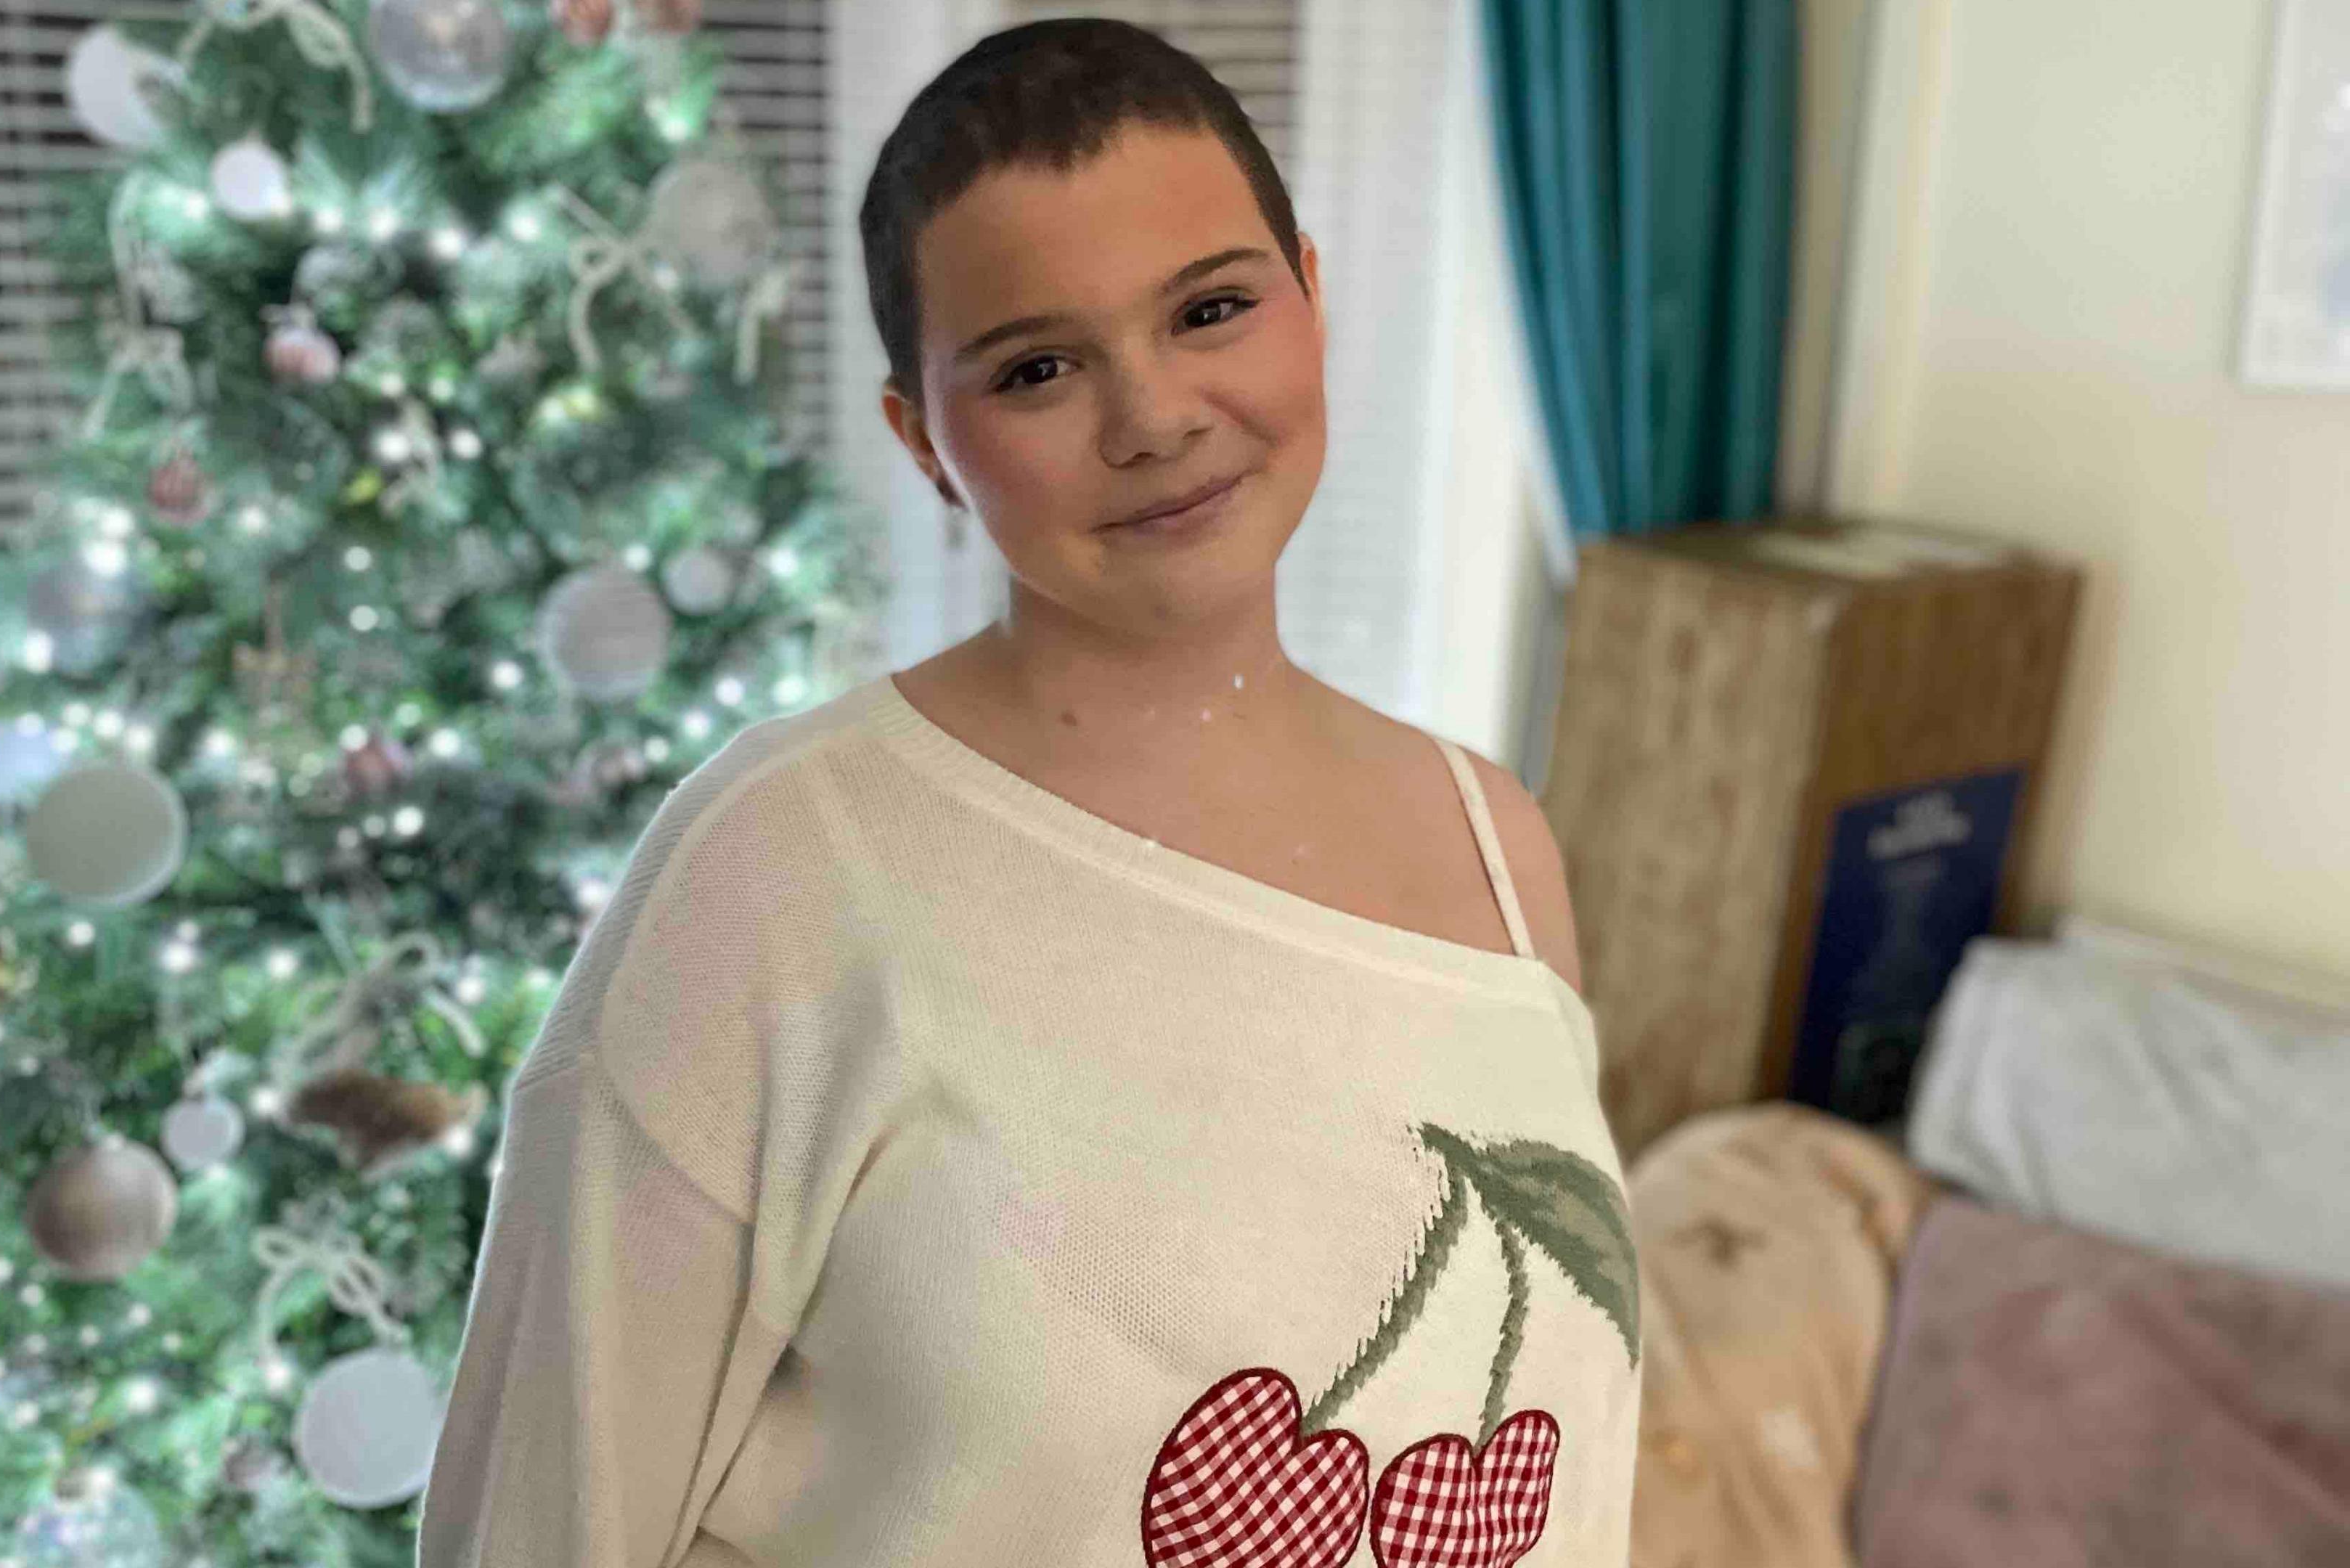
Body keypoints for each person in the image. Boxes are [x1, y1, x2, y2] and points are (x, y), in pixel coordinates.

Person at [418, 19, 1638, 1567]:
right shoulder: (781, 873)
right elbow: (539, 1524)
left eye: (1211, 308)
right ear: (925, 440)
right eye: (1039, 367)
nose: (1153, 418)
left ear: (1312, 299)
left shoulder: (1497, 841)